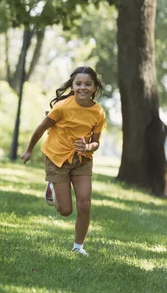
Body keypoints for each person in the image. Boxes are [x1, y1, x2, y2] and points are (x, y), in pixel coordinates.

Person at [20, 66, 106, 256]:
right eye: (78, 83)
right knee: (65, 210)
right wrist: (28, 151)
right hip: (57, 157)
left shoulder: (98, 112)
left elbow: (96, 143)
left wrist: (88, 147)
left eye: (88, 84)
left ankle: (78, 247)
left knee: (85, 203)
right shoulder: (62, 107)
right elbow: (41, 129)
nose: (83, 87)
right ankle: (52, 187)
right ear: (72, 86)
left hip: (82, 159)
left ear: (94, 88)